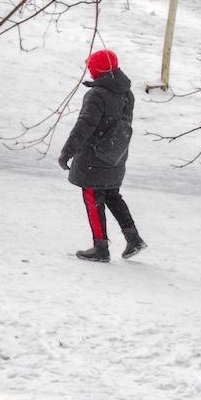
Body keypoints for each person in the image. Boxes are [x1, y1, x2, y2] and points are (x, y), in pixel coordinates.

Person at [59, 48, 144, 262]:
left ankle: (101, 247)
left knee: (92, 196)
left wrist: (67, 151)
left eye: (92, 67)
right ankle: (133, 239)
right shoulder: (126, 93)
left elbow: (84, 126)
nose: (90, 71)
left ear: (98, 69)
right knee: (112, 195)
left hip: (94, 158)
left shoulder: (97, 95)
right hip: (115, 155)